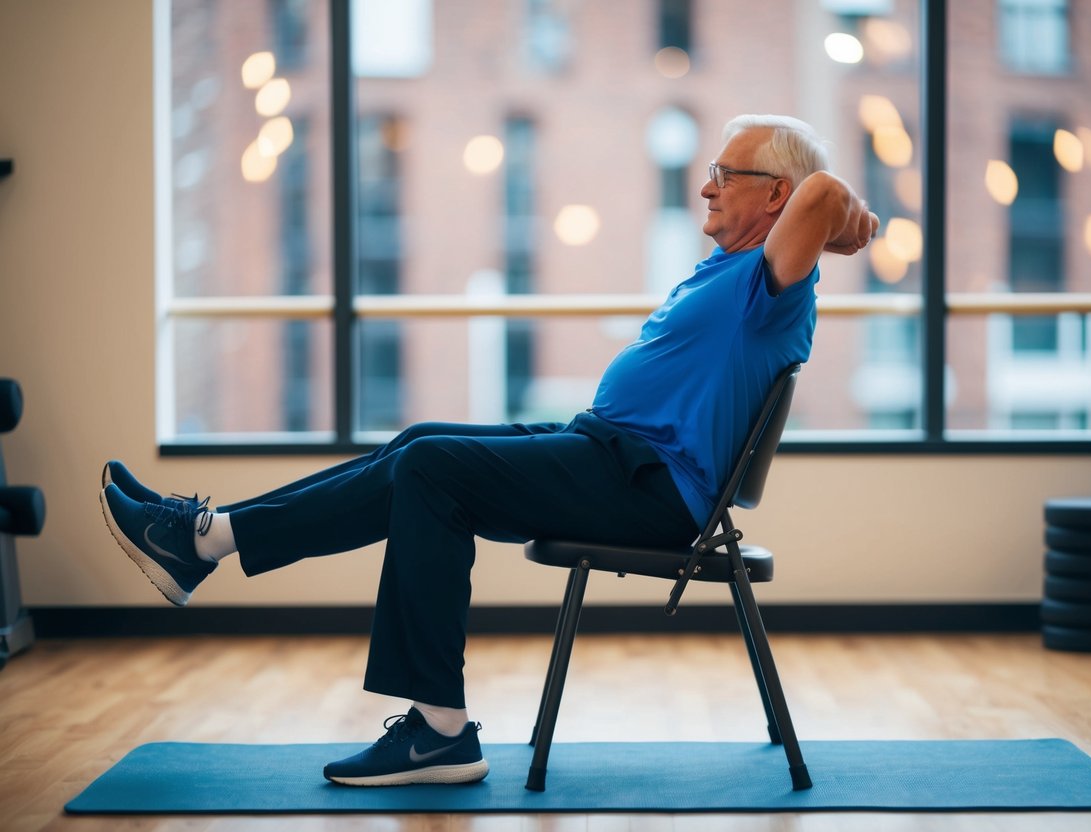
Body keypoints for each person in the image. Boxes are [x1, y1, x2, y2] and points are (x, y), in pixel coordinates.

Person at [99, 114, 878, 787]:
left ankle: (437, 730)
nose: (706, 188)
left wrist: (855, 227)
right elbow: (813, 201)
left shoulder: (777, 286)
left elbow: (822, 196)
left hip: (650, 488)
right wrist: (834, 221)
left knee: (432, 472)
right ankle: (207, 541)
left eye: (724, 174)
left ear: (774, 196)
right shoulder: (736, 266)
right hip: (603, 450)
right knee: (420, 444)